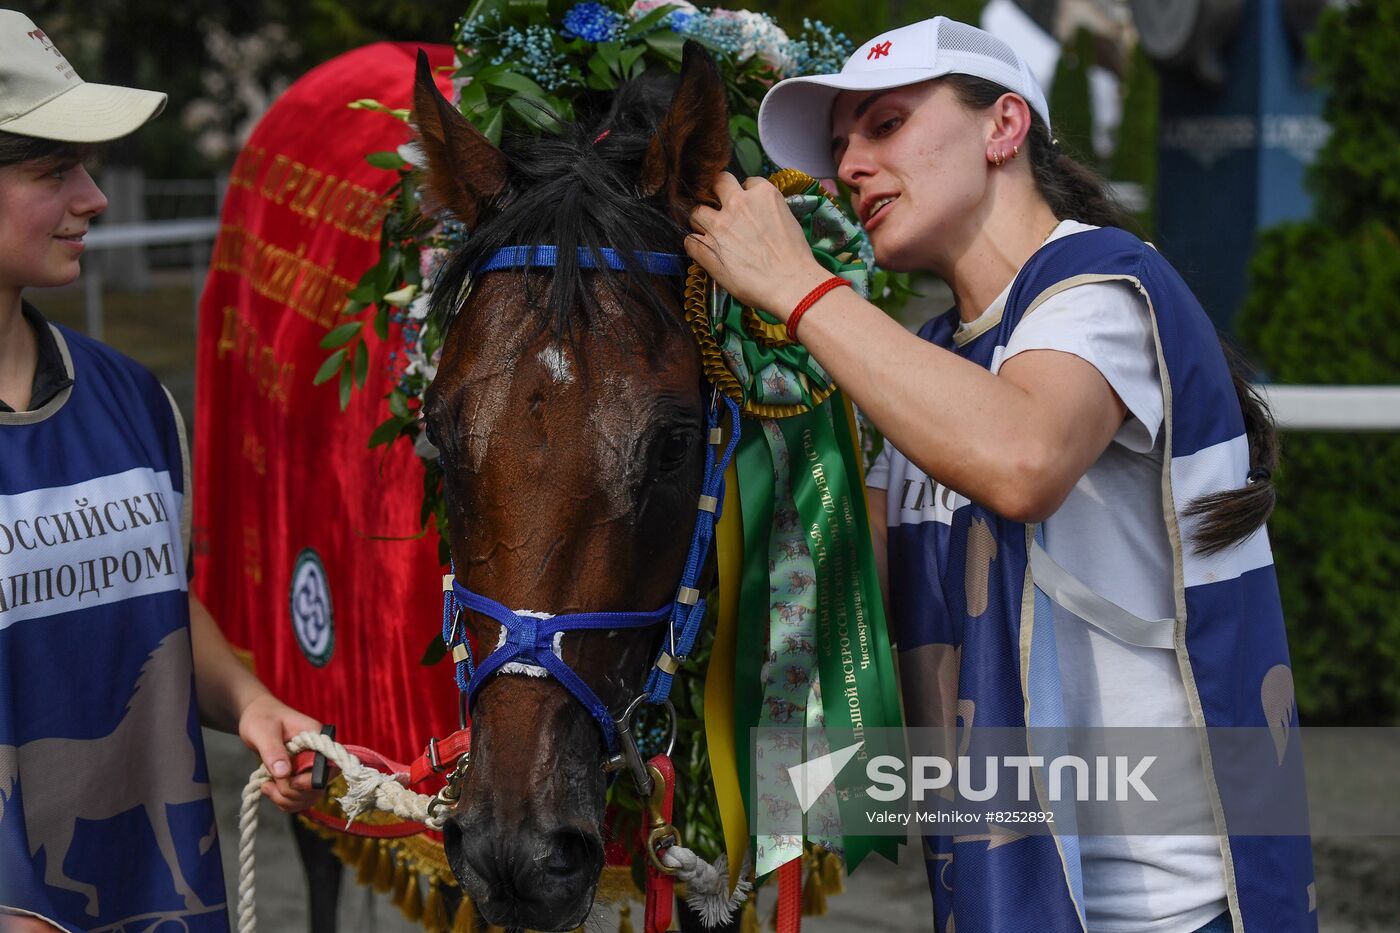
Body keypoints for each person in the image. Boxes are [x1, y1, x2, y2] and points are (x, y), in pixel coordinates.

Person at [685, 16, 1315, 933]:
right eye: (838, 147)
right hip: (997, 898)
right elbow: (844, 630)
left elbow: (1022, 460)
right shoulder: (927, 362)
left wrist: (799, 290)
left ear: (1003, 127)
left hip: (1168, 907)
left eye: (886, 125)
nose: (849, 166)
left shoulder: (1104, 283)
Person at [0, 12, 321, 931]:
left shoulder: (132, 399)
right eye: (54, 170)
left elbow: (154, 600)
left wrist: (252, 702)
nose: (95, 197)